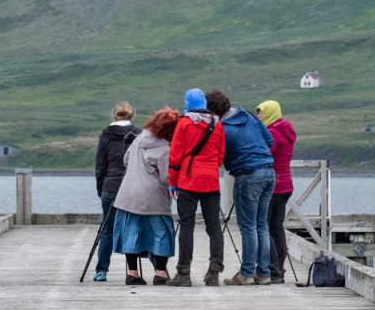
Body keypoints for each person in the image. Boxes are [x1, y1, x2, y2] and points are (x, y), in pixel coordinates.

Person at [205, 90, 275, 286]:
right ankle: (263, 273)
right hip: (269, 171)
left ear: (213, 112)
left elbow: (220, 157)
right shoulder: (248, 116)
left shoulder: (224, 129)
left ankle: (246, 273)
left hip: (248, 174)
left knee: (248, 226)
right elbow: (269, 140)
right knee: (261, 224)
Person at [111, 107, 180, 285]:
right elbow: (166, 177)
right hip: (153, 196)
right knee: (161, 232)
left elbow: (126, 160)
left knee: (132, 232)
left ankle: (132, 273)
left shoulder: (138, 139)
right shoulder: (164, 147)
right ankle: (160, 272)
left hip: (128, 193)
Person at [166, 88, 225, 287]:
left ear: (187, 103)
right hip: (211, 181)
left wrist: (172, 183)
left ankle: (184, 273)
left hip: (188, 180)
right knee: (214, 226)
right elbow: (220, 156)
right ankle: (214, 272)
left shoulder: (183, 123)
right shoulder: (217, 124)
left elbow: (175, 156)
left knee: (187, 225)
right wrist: (208, 169)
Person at [93, 102, 141, 281]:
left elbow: (100, 166)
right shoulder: (139, 134)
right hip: (133, 187)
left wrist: (101, 189)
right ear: (131, 116)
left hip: (110, 186)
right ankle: (134, 271)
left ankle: (101, 270)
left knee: (107, 229)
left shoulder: (105, 135)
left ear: (114, 115)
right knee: (134, 228)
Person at [257, 100, 296, 284]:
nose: (259, 117)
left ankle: (273, 269)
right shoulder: (286, 131)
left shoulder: (272, 133)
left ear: (270, 114)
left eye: (261, 113)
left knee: (264, 227)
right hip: (286, 185)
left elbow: (263, 154)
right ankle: (280, 267)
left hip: (272, 186)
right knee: (277, 227)